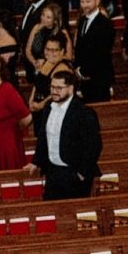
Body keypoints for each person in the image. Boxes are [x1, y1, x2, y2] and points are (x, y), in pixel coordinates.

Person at [28, 66, 102, 198]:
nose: (54, 92)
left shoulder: (84, 113)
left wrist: (81, 173)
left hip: (74, 172)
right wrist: (36, 161)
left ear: (71, 88)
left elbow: (94, 146)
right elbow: (43, 137)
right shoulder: (48, 108)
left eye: (59, 88)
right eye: (52, 87)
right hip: (52, 171)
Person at [72, 0, 116, 102]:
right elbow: (79, 48)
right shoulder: (82, 20)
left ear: (97, 1)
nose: (85, 5)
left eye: (88, 2)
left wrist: (83, 71)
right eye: (82, 2)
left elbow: (102, 53)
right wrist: (77, 70)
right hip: (84, 78)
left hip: (99, 77)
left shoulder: (105, 24)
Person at [25, 0, 71, 79]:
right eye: (43, 15)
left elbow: (68, 56)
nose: (44, 19)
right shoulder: (36, 28)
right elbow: (28, 50)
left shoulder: (62, 33)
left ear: (55, 21)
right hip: (36, 68)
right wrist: (35, 62)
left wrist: (47, 62)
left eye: (48, 17)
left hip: (54, 70)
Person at [28, 34, 70, 112]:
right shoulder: (46, 62)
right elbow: (36, 83)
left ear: (62, 51)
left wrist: (41, 105)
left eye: (54, 50)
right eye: (47, 49)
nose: (50, 53)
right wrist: (31, 100)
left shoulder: (63, 68)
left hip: (52, 109)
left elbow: (58, 92)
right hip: (36, 107)